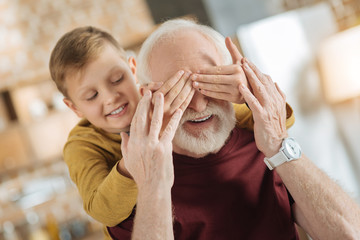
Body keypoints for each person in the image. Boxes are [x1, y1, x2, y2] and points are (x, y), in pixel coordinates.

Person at [114, 19, 360, 240]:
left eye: (211, 83)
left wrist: (278, 141)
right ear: (148, 96)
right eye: (178, 90)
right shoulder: (131, 184)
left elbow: (349, 234)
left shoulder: (266, 149)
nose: (198, 105)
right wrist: (153, 186)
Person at [48, 26, 288, 239]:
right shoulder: (82, 144)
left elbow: (281, 122)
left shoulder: (166, 96)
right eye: (91, 96)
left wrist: (245, 94)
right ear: (74, 107)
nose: (111, 98)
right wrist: (134, 162)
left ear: (132, 69)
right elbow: (103, 210)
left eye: (117, 79)